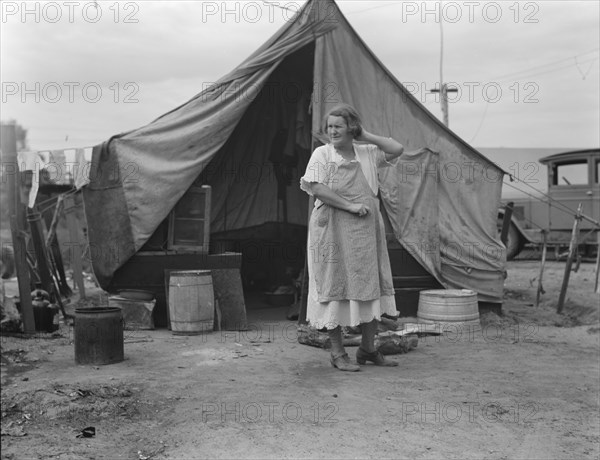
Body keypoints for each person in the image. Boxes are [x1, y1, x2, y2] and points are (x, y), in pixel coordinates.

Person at [300, 103, 433, 371]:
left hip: (365, 230)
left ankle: (368, 349)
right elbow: (316, 187)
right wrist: (349, 206)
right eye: (330, 127)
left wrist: (366, 135)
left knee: (369, 284)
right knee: (334, 286)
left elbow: (397, 149)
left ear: (352, 128)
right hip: (332, 228)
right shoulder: (323, 154)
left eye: (338, 126)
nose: (332, 131)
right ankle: (338, 353)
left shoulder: (368, 152)